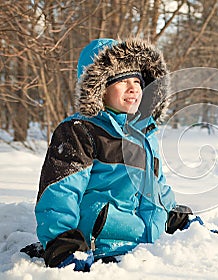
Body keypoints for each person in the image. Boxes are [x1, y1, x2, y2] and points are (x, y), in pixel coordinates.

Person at [31, 37, 193, 271]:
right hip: (98, 250)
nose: (133, 88)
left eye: (137, 80)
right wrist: (62, 244)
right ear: (99, 89)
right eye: (122, 81)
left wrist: (175, 217)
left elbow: (155, 186)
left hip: (142, 250)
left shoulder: (144, 134)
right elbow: (60, 192)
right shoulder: (80, 131)